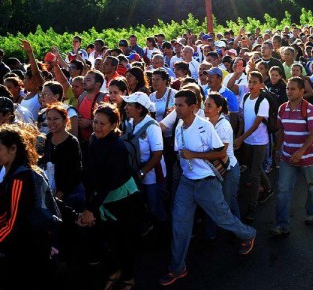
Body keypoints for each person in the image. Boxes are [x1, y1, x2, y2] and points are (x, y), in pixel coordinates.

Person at [160, 90, 256, 286]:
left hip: (207, 183)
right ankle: (177, 268)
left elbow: (221, 152)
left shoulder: (205, 126)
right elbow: (181, 154)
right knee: (179, 226)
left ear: (193, 107)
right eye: (176, 105)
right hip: (187, 184)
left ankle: (249, 234)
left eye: (180, 105)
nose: (176, 109)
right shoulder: (179, 126)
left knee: (223, 218)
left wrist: (195, 155)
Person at [79, 103, 144, 290]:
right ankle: (115, 270)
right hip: (102, 197)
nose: (97, 127)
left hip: (123, 199)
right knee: (104, 238)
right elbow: (91, 172)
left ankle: (129, 277)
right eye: (96, 122)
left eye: (103, 124)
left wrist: (91, 208)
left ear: (114, 124)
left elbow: (109, 181)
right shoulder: (93, 139)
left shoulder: (118, 148)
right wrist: (89, 204)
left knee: (123, 239)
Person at [0, 124, 55, 289]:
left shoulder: (20, 179)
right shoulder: (16, 173)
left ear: (13, 148)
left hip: (25, 253)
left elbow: (13, 223)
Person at [270, 77, 313, 235]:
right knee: (283, 190)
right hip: (287, 157)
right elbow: (281, 131)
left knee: (312, 188)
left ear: (302, 91)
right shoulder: (282, 109)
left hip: (308, 159)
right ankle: (282, 225)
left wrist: (301, 151)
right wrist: (277, 149)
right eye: (287, 89)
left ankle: (311, 213)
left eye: (292, 89)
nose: (289, 92)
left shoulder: (309, 109)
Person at [123, 92, 167, 230]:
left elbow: (157, 154)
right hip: (135, 172)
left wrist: (142, 173)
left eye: (129, 105)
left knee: (155, 206)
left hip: (151, 175)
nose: (125, 107)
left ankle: (162, 232)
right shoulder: (129, 122)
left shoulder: (152, 126)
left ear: (140, 108)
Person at [234, 71, 273, 222]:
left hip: (260, 141)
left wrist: (241, 138)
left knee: (254, 174)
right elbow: (243, 120)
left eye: (254, 82)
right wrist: (239, 136)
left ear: (261, 85)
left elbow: (256, 124)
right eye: (249, 82)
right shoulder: (245, 97)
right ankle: (268, 188)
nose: (251, 85)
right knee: (254, 167)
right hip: (247, 140)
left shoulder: (263, 101)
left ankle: (252, 206)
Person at [202, 92, 242, 240]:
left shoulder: (223, 126)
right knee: (216, 201)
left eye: (209, 106)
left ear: (219, 108)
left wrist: (194, 154)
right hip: (214, 169)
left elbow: (221, 154)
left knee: (227, 202)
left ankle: (239, 232)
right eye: (205, 105)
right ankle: (211, 235)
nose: (205, 108)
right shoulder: (206, 122)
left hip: (228, 170)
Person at [41, 103, 85, 211]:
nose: (52, 122)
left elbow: (75, 172)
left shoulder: (72, 142)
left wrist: (61, 193)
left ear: (65, 120)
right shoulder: (47, 138)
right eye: (49, 119)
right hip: (51, 190)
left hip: (70, 194)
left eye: (56, 119)